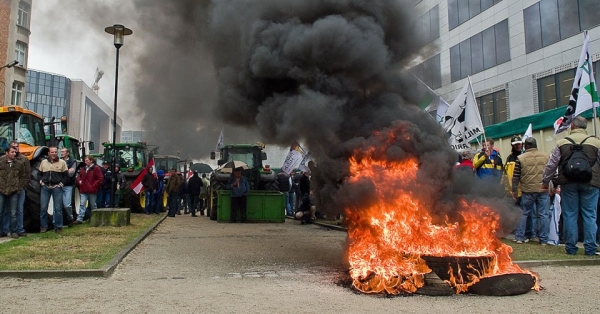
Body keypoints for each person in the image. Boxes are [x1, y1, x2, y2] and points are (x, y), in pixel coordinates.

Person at [542, 116, 600, 256]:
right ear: (585, 127)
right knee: (590, 215)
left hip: (568, 183)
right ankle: (591, 248)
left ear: (572, 127)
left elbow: (552, 164)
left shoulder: (562, 142)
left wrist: (546, 181)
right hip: (591, 183)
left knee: (570, 215)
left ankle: (571, 248)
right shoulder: (596, 142)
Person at [512, 137, 550, 245]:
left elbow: (516, 176)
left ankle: (519, 237)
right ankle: (544, 240)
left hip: (528, 190)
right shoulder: (546, 156)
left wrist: (514, 190)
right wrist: (554, 186)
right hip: (543, 188)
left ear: (525, 146)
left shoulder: (520, 158)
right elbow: (551, 172)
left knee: (523, 213)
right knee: (543, 214)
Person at [1, 141, 30, 237]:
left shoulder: (21, 161)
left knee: (17, 210)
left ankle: (17, 230)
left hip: (15, 190)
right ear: (7, 152)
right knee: (3, 210)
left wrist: (19, 187)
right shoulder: (1, 161)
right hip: (3, 189)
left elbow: (24, 176)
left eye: (16, 148)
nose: (15, 151)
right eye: (13, 150)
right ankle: (3, 230)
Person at [38, 146, 68, 233]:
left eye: (55, 152)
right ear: (48, 153)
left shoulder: (62, 162)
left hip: (56, 188)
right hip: (45, 187)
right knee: (43, 208)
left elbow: (66, 176)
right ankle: (43, 227)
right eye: (52, 152)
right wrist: (40, 181)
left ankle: (58, 227)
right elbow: (39, 174)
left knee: (58, 208)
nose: (54, 154)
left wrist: (60, 184)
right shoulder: (43, 162)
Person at [75, 155, 104, 224]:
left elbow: (100, 178)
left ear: (91, 161)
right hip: (84, 189)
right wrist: (79, 181)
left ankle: (95, 218)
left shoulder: (96, 168)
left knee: (93, 205)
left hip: (92, 190)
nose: (86, 162)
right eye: (85, 161)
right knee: (82, 204)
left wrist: (93, 186)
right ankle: (80, 219)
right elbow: (79, 176)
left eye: (87, 160)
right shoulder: (84, 168)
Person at [60, 147, 77, 226]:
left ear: (67, 153)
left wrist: (61, 171)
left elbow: (71, 174)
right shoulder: (58, 160)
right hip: (59, 185)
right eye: (61, 152)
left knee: (67, 204)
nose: (61, 153)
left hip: (68, 185)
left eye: (63, 152)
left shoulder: (73, 162)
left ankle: (70, 218)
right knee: (58, 205)